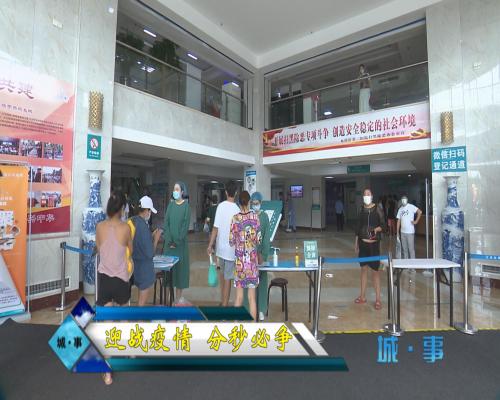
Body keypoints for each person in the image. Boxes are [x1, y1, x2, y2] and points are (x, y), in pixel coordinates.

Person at [95, 191, 132, 385]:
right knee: (124, 318)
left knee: (107, 324)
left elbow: (98, 247)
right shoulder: (126, 228)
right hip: (121, 279)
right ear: (122, 209)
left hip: (105, 280)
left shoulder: (99, 226)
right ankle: (129, 353)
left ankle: (107, 372)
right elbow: (130, 250)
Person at [230, 191, 261, 320]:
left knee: (239, 297)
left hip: (240, 263)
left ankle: (236, 328)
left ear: (239, 202)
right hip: (252, 263)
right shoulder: (255, 217)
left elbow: (231, 241)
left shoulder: (235, 218)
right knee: (251, 298)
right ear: (249, 202)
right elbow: (258, 240)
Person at [207, 182, 240, 307]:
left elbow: (215, 228)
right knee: (227, 278)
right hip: (231, 251)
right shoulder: (237, 210)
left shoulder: (220, 207)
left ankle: (223, 303)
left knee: (222, 276)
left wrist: (210, 245)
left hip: (220, 250)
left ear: (226, 192)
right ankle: (224, 303)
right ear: (235, 193)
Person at [354, 188, 384, 310]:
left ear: (372, 196)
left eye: (368, 194)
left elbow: (383, 225)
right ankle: (362, 296)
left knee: (375, 272)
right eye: (365, 194)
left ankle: (378, 299)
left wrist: (376, 229)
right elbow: (358, 228)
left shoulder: (378, 209)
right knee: (363, 270)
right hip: (363, 244)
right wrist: (356, 243)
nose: (366, 196)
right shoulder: (361, 209)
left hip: (374, 245)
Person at [130, 196, 161, 306]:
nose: (150, 213)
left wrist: (150, 236)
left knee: (139, 299)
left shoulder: (133, 220)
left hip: (134, 265)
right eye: (150, 211)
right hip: (144, 269)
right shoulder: (143, 226)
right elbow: (150, 253)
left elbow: (137, 240)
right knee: (141, 303)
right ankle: (139, 317)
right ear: (146, 210)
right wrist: (156, 239)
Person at [163, 182, 191, 303]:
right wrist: (169, 240)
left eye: (177, 189)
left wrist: (177, 241)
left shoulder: (186, 207)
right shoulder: (170, 205)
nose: (175, 191)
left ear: (182, 192)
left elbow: (185, 226)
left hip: (180, 246)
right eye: (174, 189)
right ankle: (168, 300)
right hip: (169, 245)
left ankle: (178, 300)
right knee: (169, 273)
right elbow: (166, 223)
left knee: (180, 273)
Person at [248, 192, 271, 320]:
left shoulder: (264, 217)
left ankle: (261, 309)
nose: (255, 205)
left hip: (261, 257)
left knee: (261, 282)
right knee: (249, 284)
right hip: (249, 257)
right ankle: (248, 309)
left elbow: (266, 238)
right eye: (253, 203)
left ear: (261, 203)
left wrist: (263, 255)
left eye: (257, 203)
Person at [396, 196, 422, 260]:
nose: (403, 201)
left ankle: (412, 265)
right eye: (402, 200)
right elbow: (398, 221)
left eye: (404, 199)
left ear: (407, 200)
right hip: (402, 232)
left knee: (411, 249)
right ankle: (406, 264)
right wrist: (397, 232)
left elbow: (420, 212)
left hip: (410, 232)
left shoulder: (411, 206)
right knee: (405, 250)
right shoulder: (400, 209)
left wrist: (416, 221)